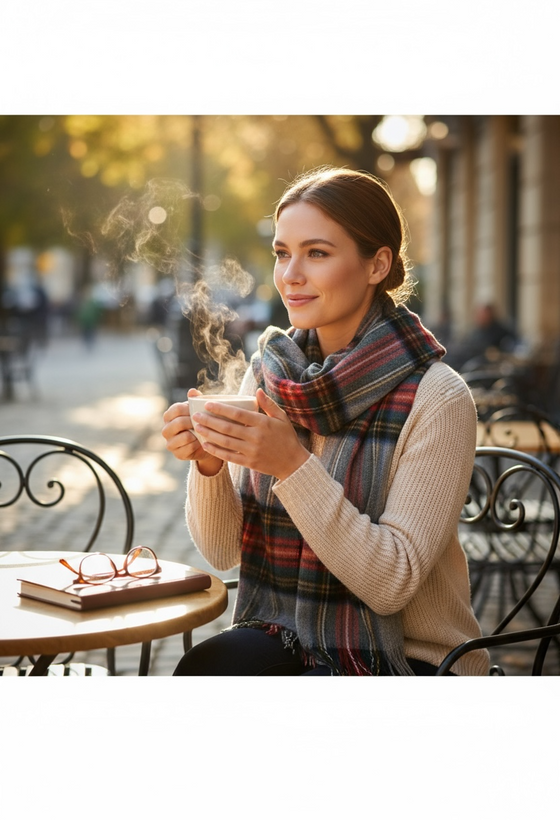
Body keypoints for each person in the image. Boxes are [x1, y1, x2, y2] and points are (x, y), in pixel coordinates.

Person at [162, 167, 488, 676]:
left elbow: (393, 583)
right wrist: (208, 466)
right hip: (287, 632)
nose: (291, 274)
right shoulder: (271, 371)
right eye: (281, 252)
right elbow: (224, 551)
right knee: (204, 669)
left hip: (412, 656)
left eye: (317, 253)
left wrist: (292, 465)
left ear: (378, 264)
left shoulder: (438, 396)